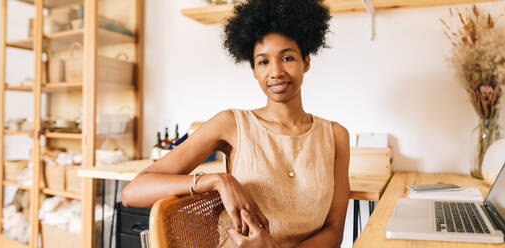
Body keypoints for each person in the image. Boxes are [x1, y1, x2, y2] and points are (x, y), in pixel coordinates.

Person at [121, 0, 350, 247]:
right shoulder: (231, 124)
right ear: (253, 70)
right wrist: (218, 180)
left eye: (287, 58)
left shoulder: (336, 136)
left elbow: (334, 231)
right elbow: (133, 192)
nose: (275, 72)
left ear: (306, 62)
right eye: (263, 62)